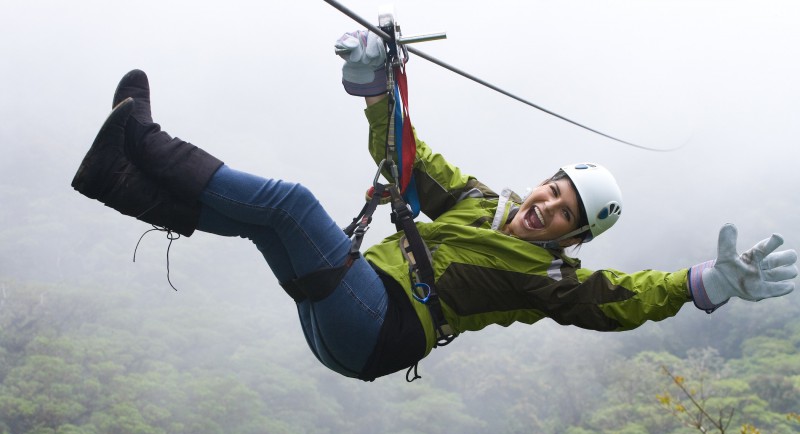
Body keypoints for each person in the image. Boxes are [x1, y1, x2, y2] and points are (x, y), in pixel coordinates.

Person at [71, 36, 797, 381]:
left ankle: (145, 141)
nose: (546, 207)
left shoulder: (547, 280)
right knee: (267, 222)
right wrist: (377, 91)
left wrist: (704, 283)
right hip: (349, 317)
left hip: (380, 326)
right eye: (551, 190)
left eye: (564, 213)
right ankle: (121, 180)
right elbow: (408, 161)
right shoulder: (476, 201)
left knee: (289, 206)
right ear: (539, 184)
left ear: (572, 238)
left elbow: (623, 299)